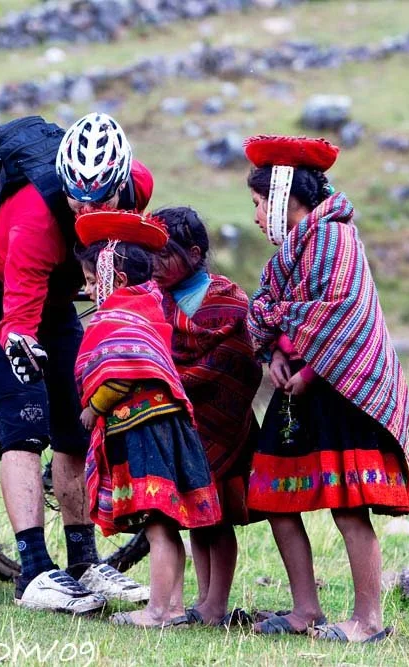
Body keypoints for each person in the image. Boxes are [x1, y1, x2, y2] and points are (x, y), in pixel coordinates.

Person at [0, 113, 152, 614]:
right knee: (26, 425)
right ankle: (34, 573)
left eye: (100, 199)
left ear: (123, 183)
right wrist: (21, 346)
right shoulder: (36, 220)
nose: (87, 208)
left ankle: (83, 562)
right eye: (77, 198)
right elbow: (17, 316)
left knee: (75, 423)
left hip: (56, 300)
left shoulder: (136, 188)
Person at [242, 135, 409, 643]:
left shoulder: (335, 240)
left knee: (349, 506)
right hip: (295, 388)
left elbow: (340, 315)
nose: (257, 216)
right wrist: (275, 355)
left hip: (340, 387)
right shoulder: (287, 256)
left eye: (259, 204)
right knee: (276, 500)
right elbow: (266, 313)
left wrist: (307, 369)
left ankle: (368, 621)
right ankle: (306, 610)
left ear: (282, 198)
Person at [73, 211, 223, 628]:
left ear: (114, 279)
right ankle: (172, 608)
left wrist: (93, 406)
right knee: (166, 524)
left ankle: (158, 610)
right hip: (167, 425)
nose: (87, 291)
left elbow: (121, 372)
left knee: (158, 524)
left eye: (89, 281)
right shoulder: (150, 305)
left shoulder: (117, 317)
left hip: (142, 429)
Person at [150, 206, 262, 628]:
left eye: (165, 255)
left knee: (218, 519)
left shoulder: (226, 300)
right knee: (197, 513)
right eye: (151, 255)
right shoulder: (156, 300)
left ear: (195, 254)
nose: (155, 265)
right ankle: (202, 598)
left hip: (220, 421)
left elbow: (239, 361)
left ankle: (217, 602)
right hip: (180, 422)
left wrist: (181, 379)